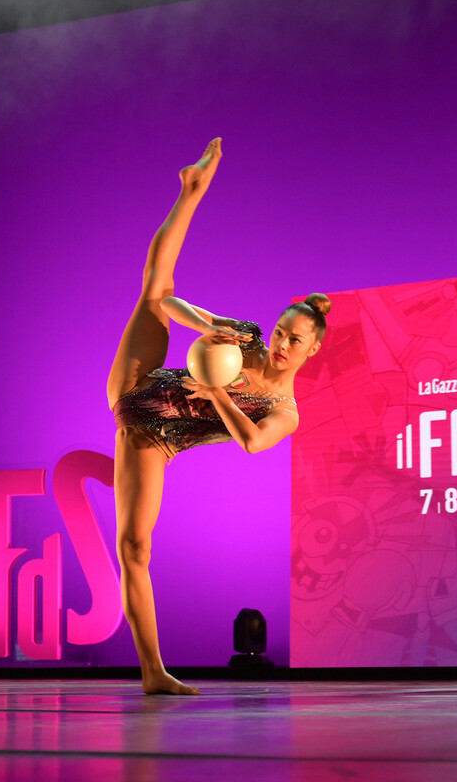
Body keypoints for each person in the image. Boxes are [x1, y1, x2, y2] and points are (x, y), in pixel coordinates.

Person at [105, 138, 329, 694]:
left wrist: (217, 394)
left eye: (294, 340)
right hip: (138, 382)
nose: (281, 344)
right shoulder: (246, 339)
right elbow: (169, 305)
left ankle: (153, 673)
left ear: (313, 349)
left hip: (152, 438)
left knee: (134, 547)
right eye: (280, 331)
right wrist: (208, 328)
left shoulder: (285, 410)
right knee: (155, 289)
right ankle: (191, 190)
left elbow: (252, 443)